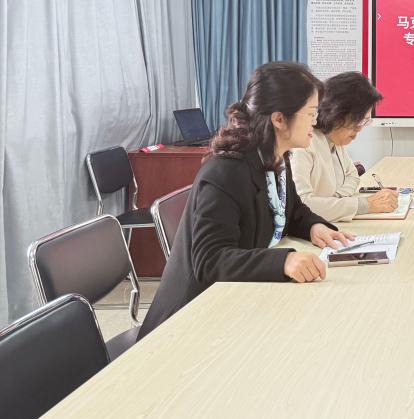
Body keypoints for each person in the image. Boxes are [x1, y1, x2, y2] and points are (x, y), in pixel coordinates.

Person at [140, 62, 354, 339]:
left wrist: (314, 226)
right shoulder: (226, 172)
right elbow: (210, 260)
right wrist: (283, 261)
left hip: (239, 301)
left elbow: (291, 210)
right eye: (311, 113)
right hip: (188, 321)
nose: (316, 122)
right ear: (279, 119)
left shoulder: (277, 157)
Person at [290, 72, 397, 222]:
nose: (360, 129)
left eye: (365, 121)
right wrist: (364, 205)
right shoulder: (303, 144)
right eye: (358, 121)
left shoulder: (334, 139)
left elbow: (352, 176)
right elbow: (301, 205)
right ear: (337, 113)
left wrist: (335, 201)